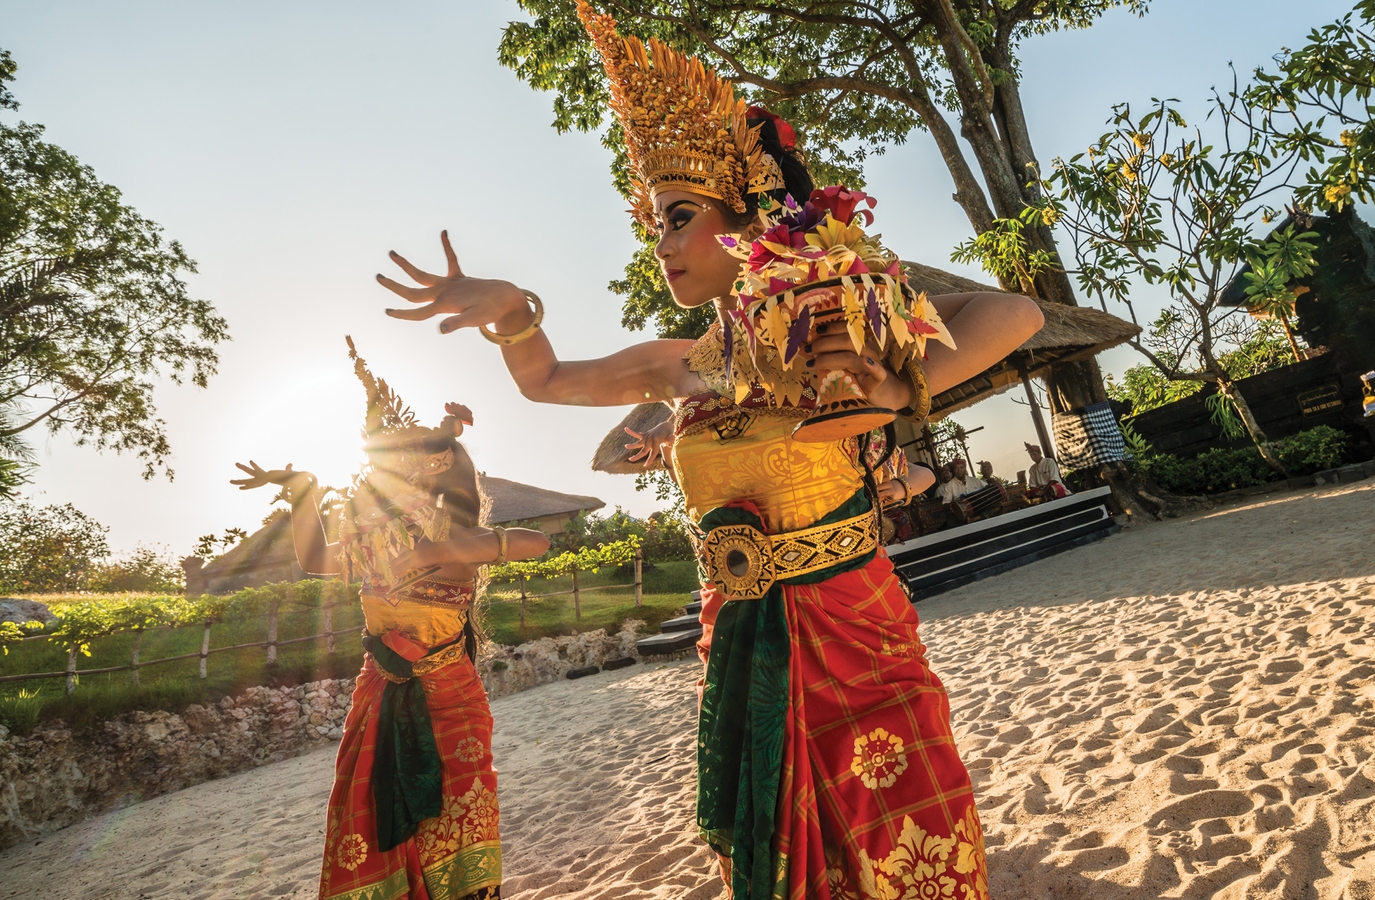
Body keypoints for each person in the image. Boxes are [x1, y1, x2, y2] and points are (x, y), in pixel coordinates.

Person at [372, 4, 1042, 894]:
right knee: (771, 839)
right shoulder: (676, 365)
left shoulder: (834, 319)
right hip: (739, 631)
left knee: (896, 834)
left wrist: (890, 384)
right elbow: (547, 381)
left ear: (746, 216)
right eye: (653, 223)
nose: (663, 242)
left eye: (679, 215)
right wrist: (513, 313)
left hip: (849, 620)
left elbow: (1015, 312)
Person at [232, 340, 550, 900]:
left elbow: (538, 541)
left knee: (456, 832)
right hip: (378, 694)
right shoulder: (372, 542)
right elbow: (316, 560)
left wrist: (433, 554)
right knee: (365, 821)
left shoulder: (458, 540)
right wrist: (303, 491)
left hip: (448, 694)